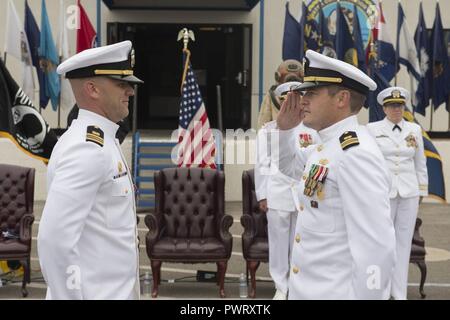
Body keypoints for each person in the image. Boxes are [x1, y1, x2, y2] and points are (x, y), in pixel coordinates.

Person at [276, 50, 396, 299]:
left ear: (341, 99)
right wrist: (285, 131)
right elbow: (288, 167)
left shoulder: (355, 153)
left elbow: (376, 249)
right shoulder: (327, 146)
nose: (302, 99)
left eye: (311, 92)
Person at [37, 41, 144, 300]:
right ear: (93, 89)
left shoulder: (102, 139)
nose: (130, 91)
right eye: (121, 84)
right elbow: (55, 242)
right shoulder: (87, 148)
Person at [255, 81, 319, 300]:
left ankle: (298, 284)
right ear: (280, 102)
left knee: (301, 241)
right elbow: (262, 163)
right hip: (278, 191)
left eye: (296, 98)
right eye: (286, 100)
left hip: (304, 193)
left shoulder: (311, 129)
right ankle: (281, 286)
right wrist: (262, 194)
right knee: (279, 243)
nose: (291, 104)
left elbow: (318, 161)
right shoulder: (268, 131)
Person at [366, 86, 428, 300]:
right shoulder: (372, 130)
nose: (396, 109)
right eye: (392, 106)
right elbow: (369, 164)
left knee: (403, 244)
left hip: (409, 193)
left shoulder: (414, 130)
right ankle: (381, 292)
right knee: (383, 243)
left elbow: (420, 163)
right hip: (384, 192)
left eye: (400, 105)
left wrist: (421, 190)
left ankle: (399, 292)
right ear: (384, 108)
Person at [257, 60, 303, 129]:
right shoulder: (307, 95)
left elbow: (263, 121)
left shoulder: (272, 95)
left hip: (277, 135)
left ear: (277, 77)